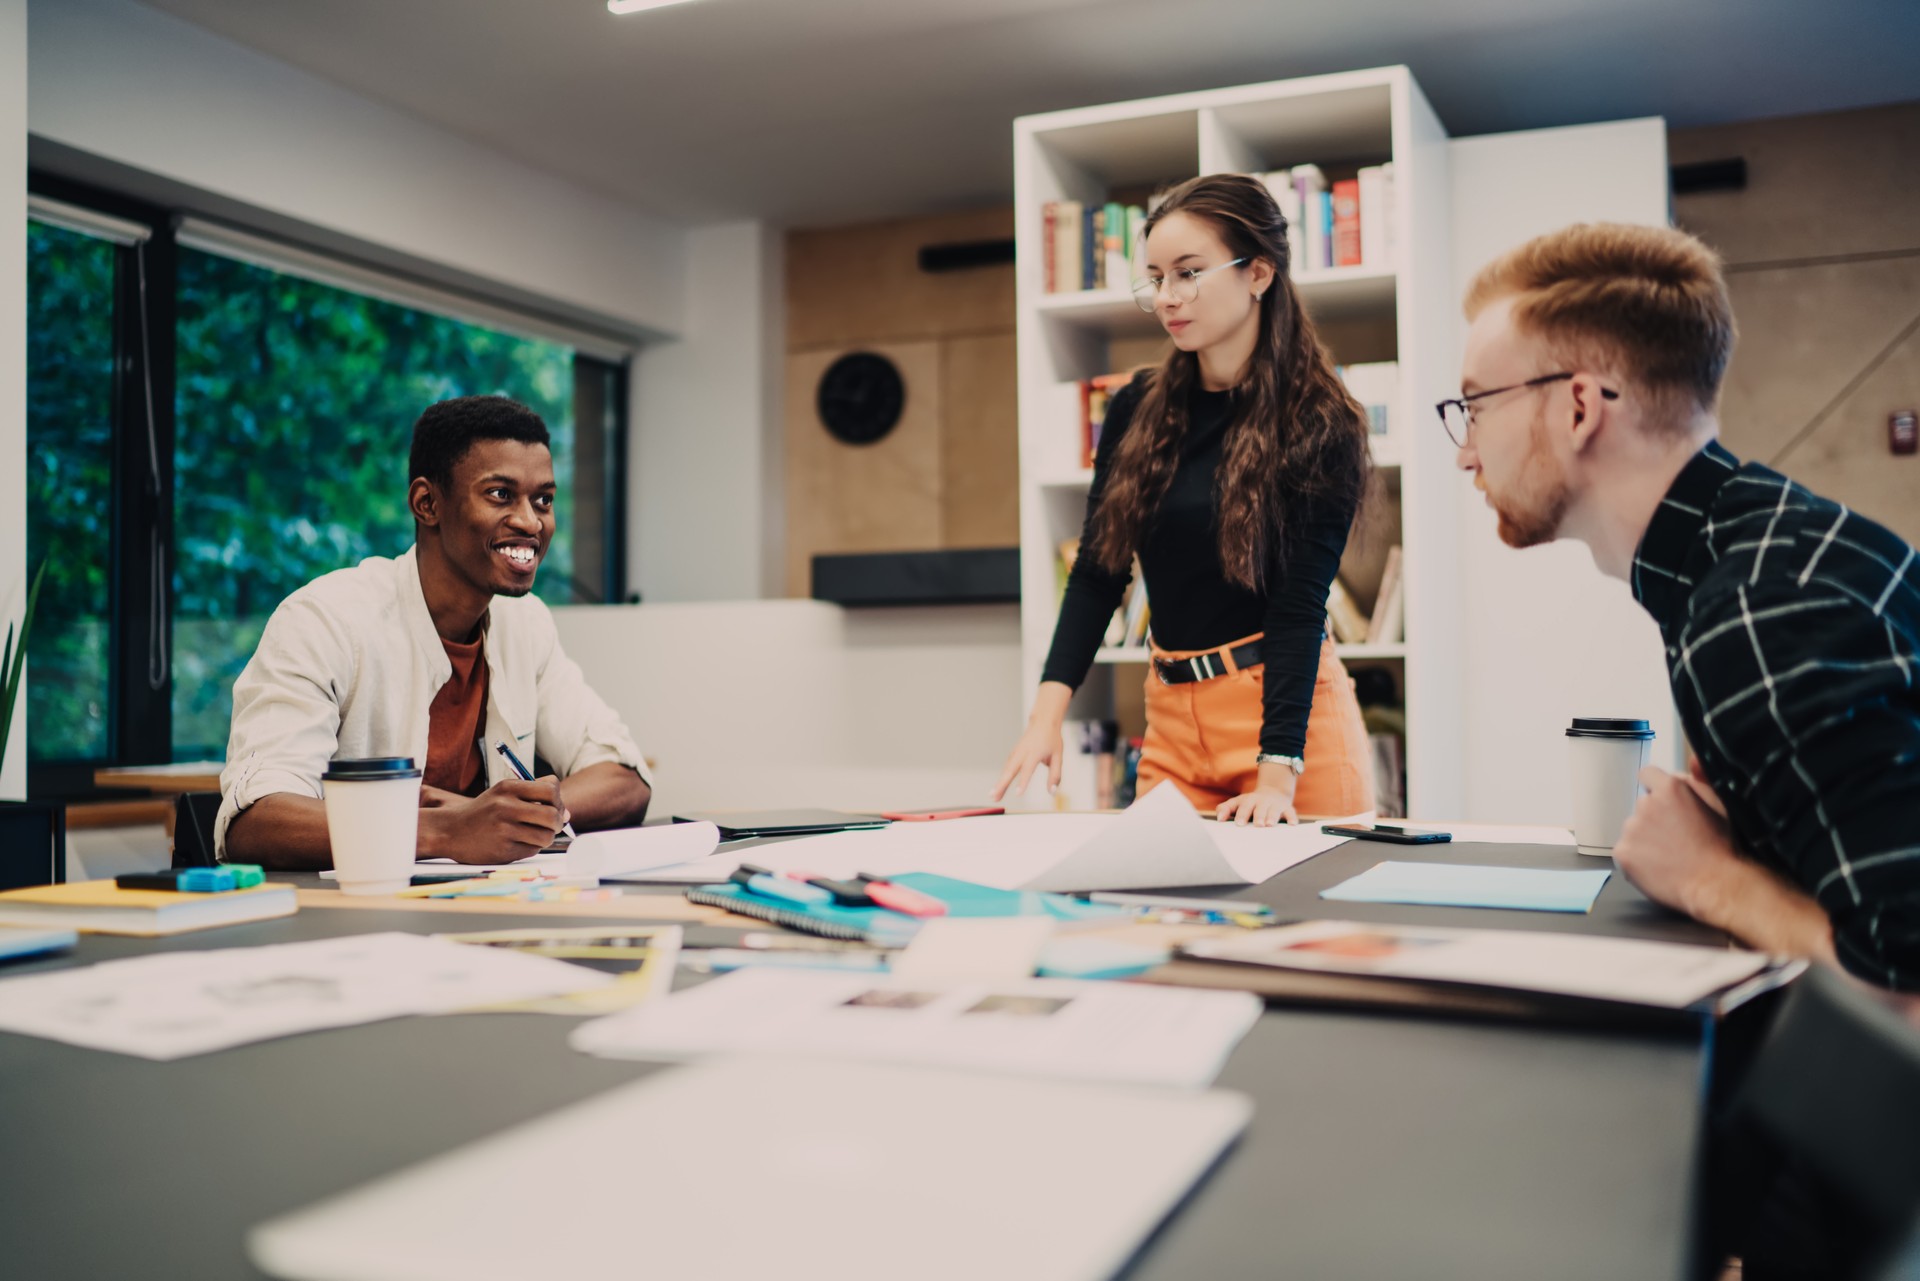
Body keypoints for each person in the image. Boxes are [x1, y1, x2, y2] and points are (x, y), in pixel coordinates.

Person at [1450, 221, 1920, 989]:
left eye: (1476, 405)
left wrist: (1711, 877)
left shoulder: (1758, 614)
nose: (1466, 450)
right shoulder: (1764, 544)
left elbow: (1908, 1002)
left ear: (1578, 408)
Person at [994, 173, 1377, 826]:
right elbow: (1097, 572)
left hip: (1288, 732)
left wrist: (1276, 779)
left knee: (1318, 924)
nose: (1167, 297)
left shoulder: (1320, 419)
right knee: (1157, 915)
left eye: (1188, 273)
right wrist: (1044, 719)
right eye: (1156, 277)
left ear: (1258, 273)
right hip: (1172, 718)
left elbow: (1298, 607)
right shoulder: (1135, 408)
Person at [217, 395, 652, 869]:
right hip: (348, 921)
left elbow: (625, 780)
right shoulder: (324, 620)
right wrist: (447, 830)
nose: (531, 521)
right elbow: (255, 821)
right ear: (427, 504)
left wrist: (512, 817)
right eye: (501, 495)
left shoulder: (525, 625)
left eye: (543, 499)